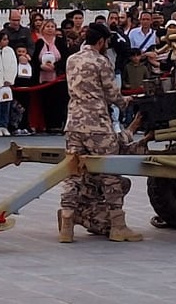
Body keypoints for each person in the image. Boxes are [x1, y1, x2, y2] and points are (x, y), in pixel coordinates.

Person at [59, 23, 141, 244]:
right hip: (97, 125)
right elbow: (112, 93)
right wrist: (126, 102)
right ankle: (118, 226)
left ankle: (66, 225)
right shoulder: (101, 61)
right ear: (102, 41)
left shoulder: (72, 59)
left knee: (73, 173)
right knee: (111, 173)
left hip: (73, 124)